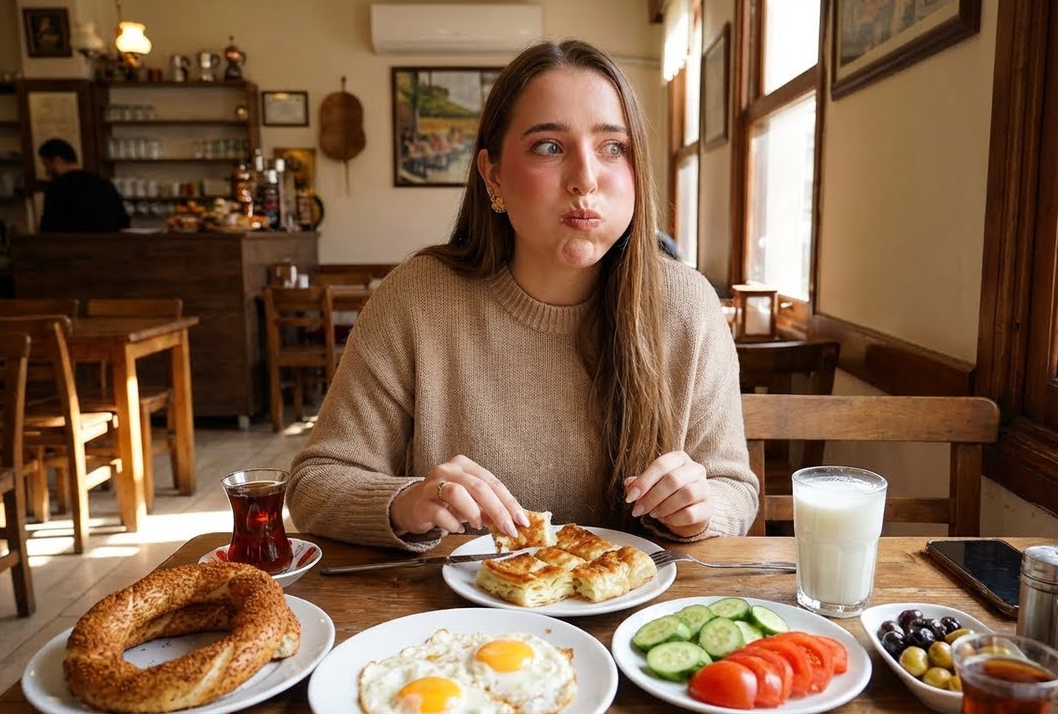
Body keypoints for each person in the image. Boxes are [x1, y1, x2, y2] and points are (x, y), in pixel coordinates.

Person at [287, 40, 757, 552]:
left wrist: (698, 507)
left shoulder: (687, 305)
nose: (585, 179)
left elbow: (734, 489)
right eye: (549, 147)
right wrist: (405, 501)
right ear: (493, 176)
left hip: (636, 614)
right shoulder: (417, 299)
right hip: (462, 622)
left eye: (612, 147)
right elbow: (316, 482)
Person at [37, 138, 130, 233]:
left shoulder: (56, 188)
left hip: (71, 246)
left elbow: (49, 228)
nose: (46, 172)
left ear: (57, 160)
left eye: (46, 164)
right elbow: (123, 222)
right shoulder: (104, 184)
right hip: (107, 245)